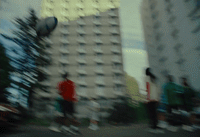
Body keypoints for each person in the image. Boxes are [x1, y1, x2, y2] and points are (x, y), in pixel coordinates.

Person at [145, 68, 163, 134]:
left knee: (151, 114)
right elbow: (157, 89)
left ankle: (153, 127)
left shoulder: (147, 78)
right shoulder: (154, 78)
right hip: (155, 99)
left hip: (150, 99)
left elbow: (147, 89)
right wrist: (158, 98)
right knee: (155, 113)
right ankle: (156, 127)